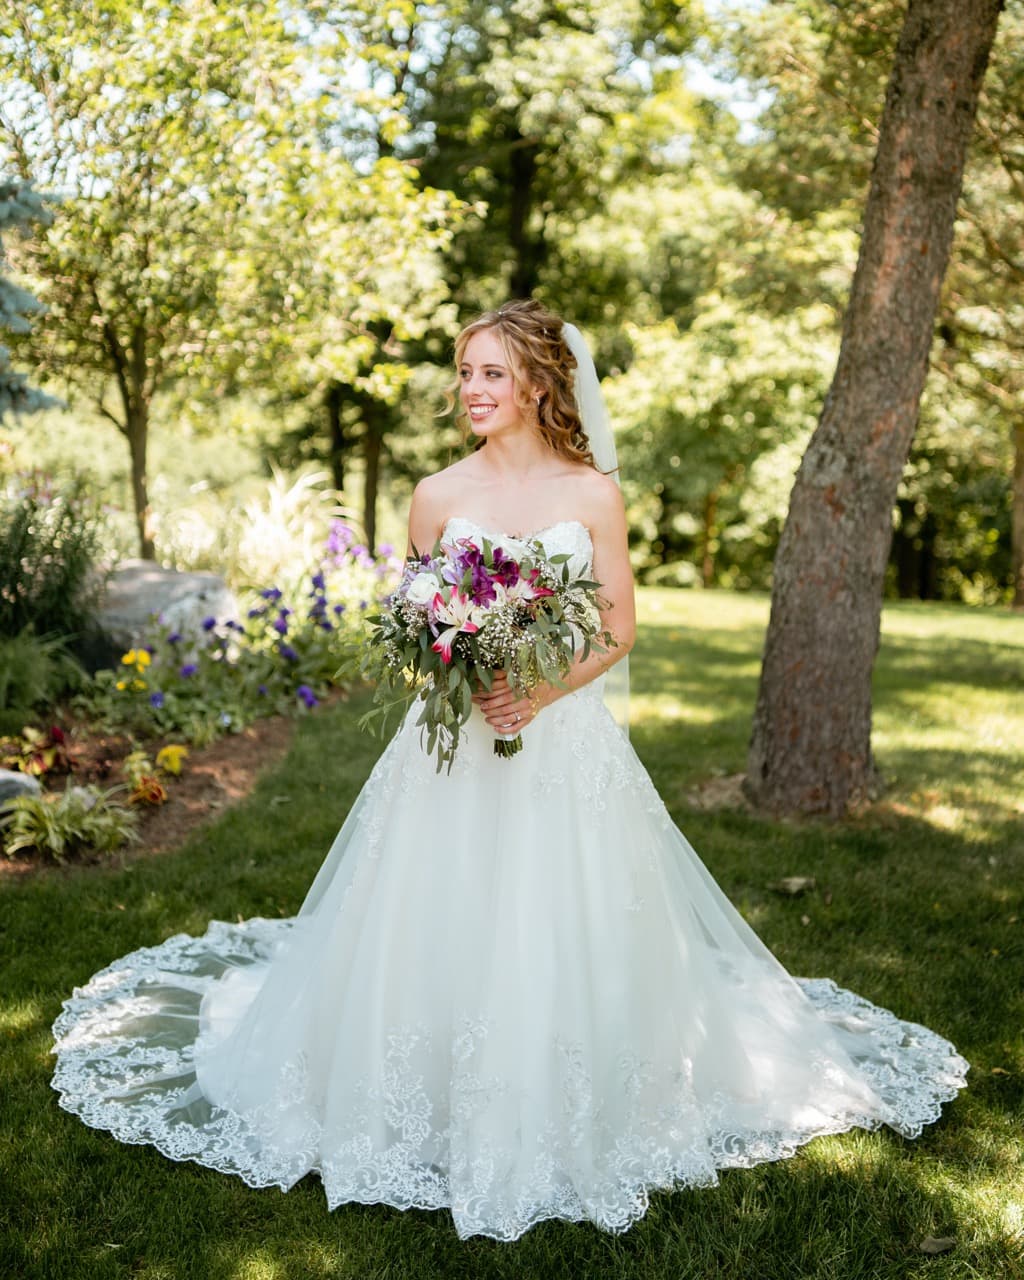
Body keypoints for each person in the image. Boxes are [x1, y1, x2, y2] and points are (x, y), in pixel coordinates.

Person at [52, 300, 968, 1243]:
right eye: (465, 373)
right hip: (449, 746)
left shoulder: (591, 494)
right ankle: (419, 1091)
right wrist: (454, 656)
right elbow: (412, 624)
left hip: (559, 742)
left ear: (537, 384)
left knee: (559, 916)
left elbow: (618, 626)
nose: (472, 391)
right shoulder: (435, 495)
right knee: (430, 912)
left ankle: (574, 1085)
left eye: (491, 374)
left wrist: (536, 692)